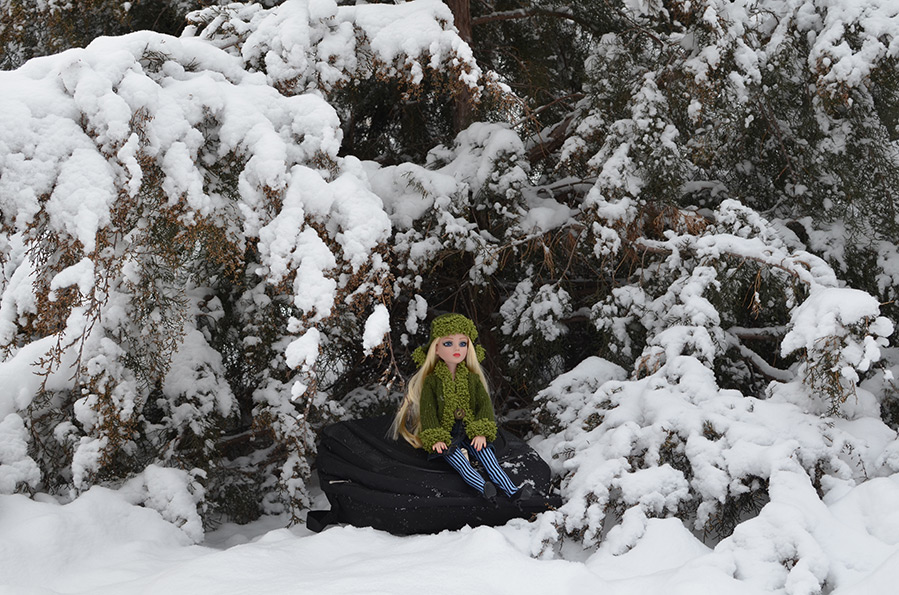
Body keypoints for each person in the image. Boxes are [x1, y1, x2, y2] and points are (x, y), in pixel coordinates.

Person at [390, 313, 531, 502]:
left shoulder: (472, 379)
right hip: (446, 434)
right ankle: (484, 488)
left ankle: (513, 491)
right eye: (449, 343)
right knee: (460, 463)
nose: (457, 348)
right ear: (436, 349)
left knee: (489, 459)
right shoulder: (432, 382)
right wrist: (436, 437)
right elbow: (429, 412)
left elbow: (484, 407)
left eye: (462, 343)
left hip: (470, 430)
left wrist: (481, 431)